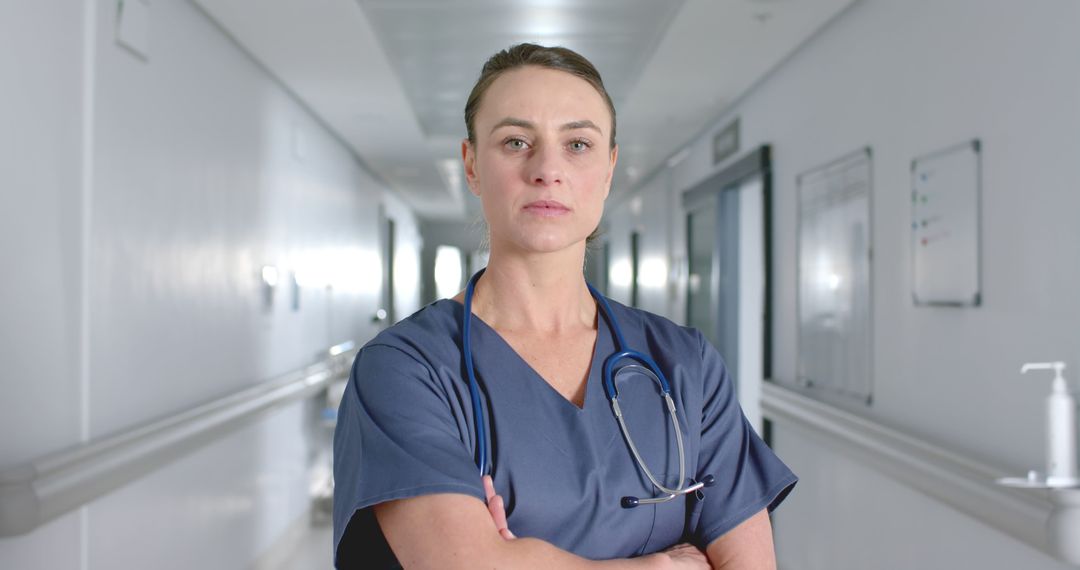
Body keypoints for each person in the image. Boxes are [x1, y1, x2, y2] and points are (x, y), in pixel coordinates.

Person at [333, 43, 796, 569]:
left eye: (577, 144)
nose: (547, 169)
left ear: (609, 168)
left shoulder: (684, 363)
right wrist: (656, 565)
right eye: (515, 141)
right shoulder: (406, 368)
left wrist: (521, 557)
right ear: (471, 165)